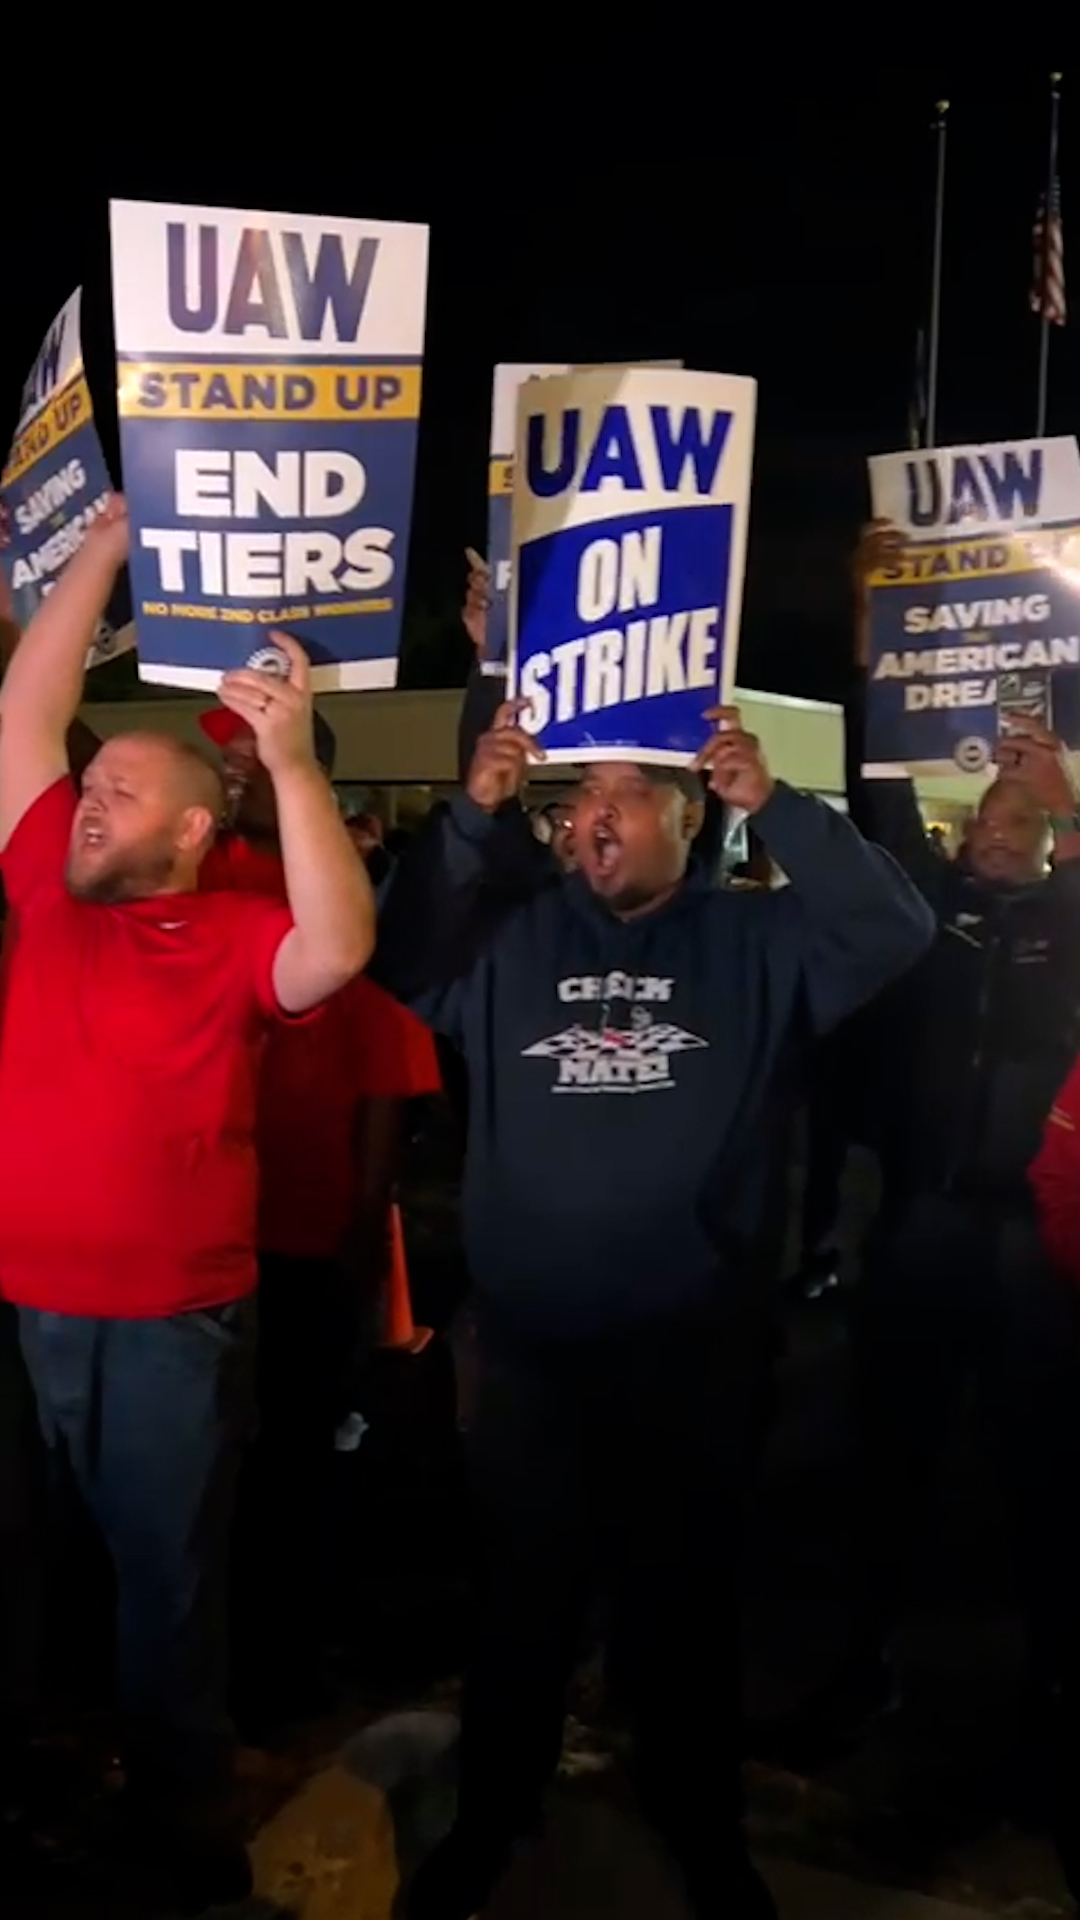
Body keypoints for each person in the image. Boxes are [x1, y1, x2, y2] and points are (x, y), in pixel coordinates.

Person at [373, 698, 933, 1920]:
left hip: (694, 1351)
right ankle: (493, 1812)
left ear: (692, 819)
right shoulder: (511, 943)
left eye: (626, 796)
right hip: (535, 1355)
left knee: (685, 1608)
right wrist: (472, 818)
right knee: (524, 1601)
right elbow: (401, 953)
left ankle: (697, 1825)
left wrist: (777, 800)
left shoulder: (759, 944)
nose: (593, 819)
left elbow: (895, 926)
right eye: (580, 802)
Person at [0, 498, 374, 1910]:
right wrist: (104, 545)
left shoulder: (234, 934)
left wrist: (290, 759)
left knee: (164, 1588)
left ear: (195, 828)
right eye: (89, 785)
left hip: (168, 1327)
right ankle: (35, 1770)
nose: (86, 798)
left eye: (121, 791)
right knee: (26, 1571)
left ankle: (178, 1826)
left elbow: (339, 950)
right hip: (24, 1309)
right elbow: (26, 716)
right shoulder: (48, 891)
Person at [836, 520, 1080, 1770]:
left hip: (1036, 1241)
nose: (999, 830)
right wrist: (876, 630)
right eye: (987, 814)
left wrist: (1067, 803)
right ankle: (857, 1656)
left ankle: (1048, 1680)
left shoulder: (1066, 923)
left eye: (1021, 822)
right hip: (926, 1217)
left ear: (1045, 839)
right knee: (891, 1445)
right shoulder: (928, 915)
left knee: (1044, 1464)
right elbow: (877, 793)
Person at [196, 705, 442, 1730]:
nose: (236, 774)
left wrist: (363, 1209)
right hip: (191, 1234)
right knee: (195, 1461)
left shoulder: (334, 888)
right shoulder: (179, 877)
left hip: (299, 1231)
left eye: (257, 756)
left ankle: (276, 1660)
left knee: (291, 1457)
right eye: (224, 758)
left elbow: (388, 1060)